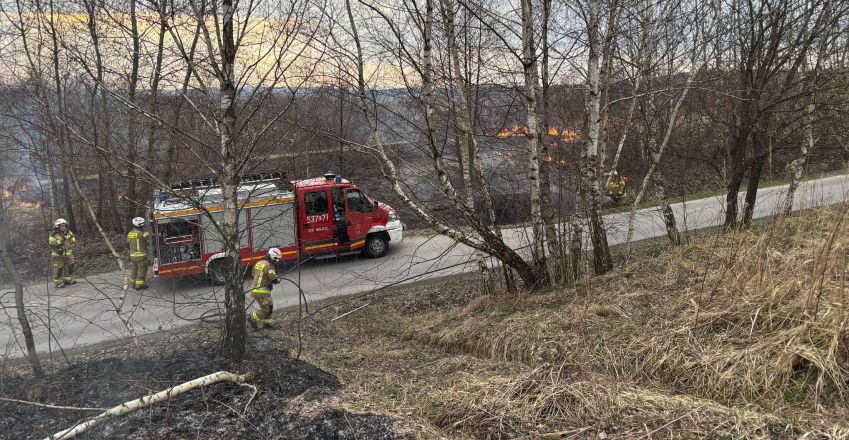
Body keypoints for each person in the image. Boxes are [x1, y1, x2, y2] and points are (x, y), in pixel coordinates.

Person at [248, 247, 282, 329]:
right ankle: (252, 318)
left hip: (256, 289)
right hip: (262, 291)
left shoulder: (259, 262)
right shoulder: (269, 265)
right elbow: (273, 278)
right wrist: (278, 280)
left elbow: (253, 274)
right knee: (266, 309)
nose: (277, 261)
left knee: (269, 306)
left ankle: (267, 324)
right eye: (276, 259)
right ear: (271, 257)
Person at [48, 218, 76, 288]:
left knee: (70, 267)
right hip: (58, 255)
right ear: (57, 226)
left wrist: (71, 245)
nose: (63, 227)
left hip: (68, 254)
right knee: (58, 269)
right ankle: (58, 283)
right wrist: (60, 242)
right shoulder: (53, 234)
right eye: (62, 226)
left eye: (64, 226)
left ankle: (68, 280)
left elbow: (73, 239)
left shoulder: (69, 232)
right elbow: (51, 243)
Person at [127, 217, 150, 290]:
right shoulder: (142, 234)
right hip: (140, 256)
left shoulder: (129, 234)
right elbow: (147, 235)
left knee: (134, 270)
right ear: (140, 226)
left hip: (132, 256)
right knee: (142, 270)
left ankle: (133, 284)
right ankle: (139, 285)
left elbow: (128, 243)